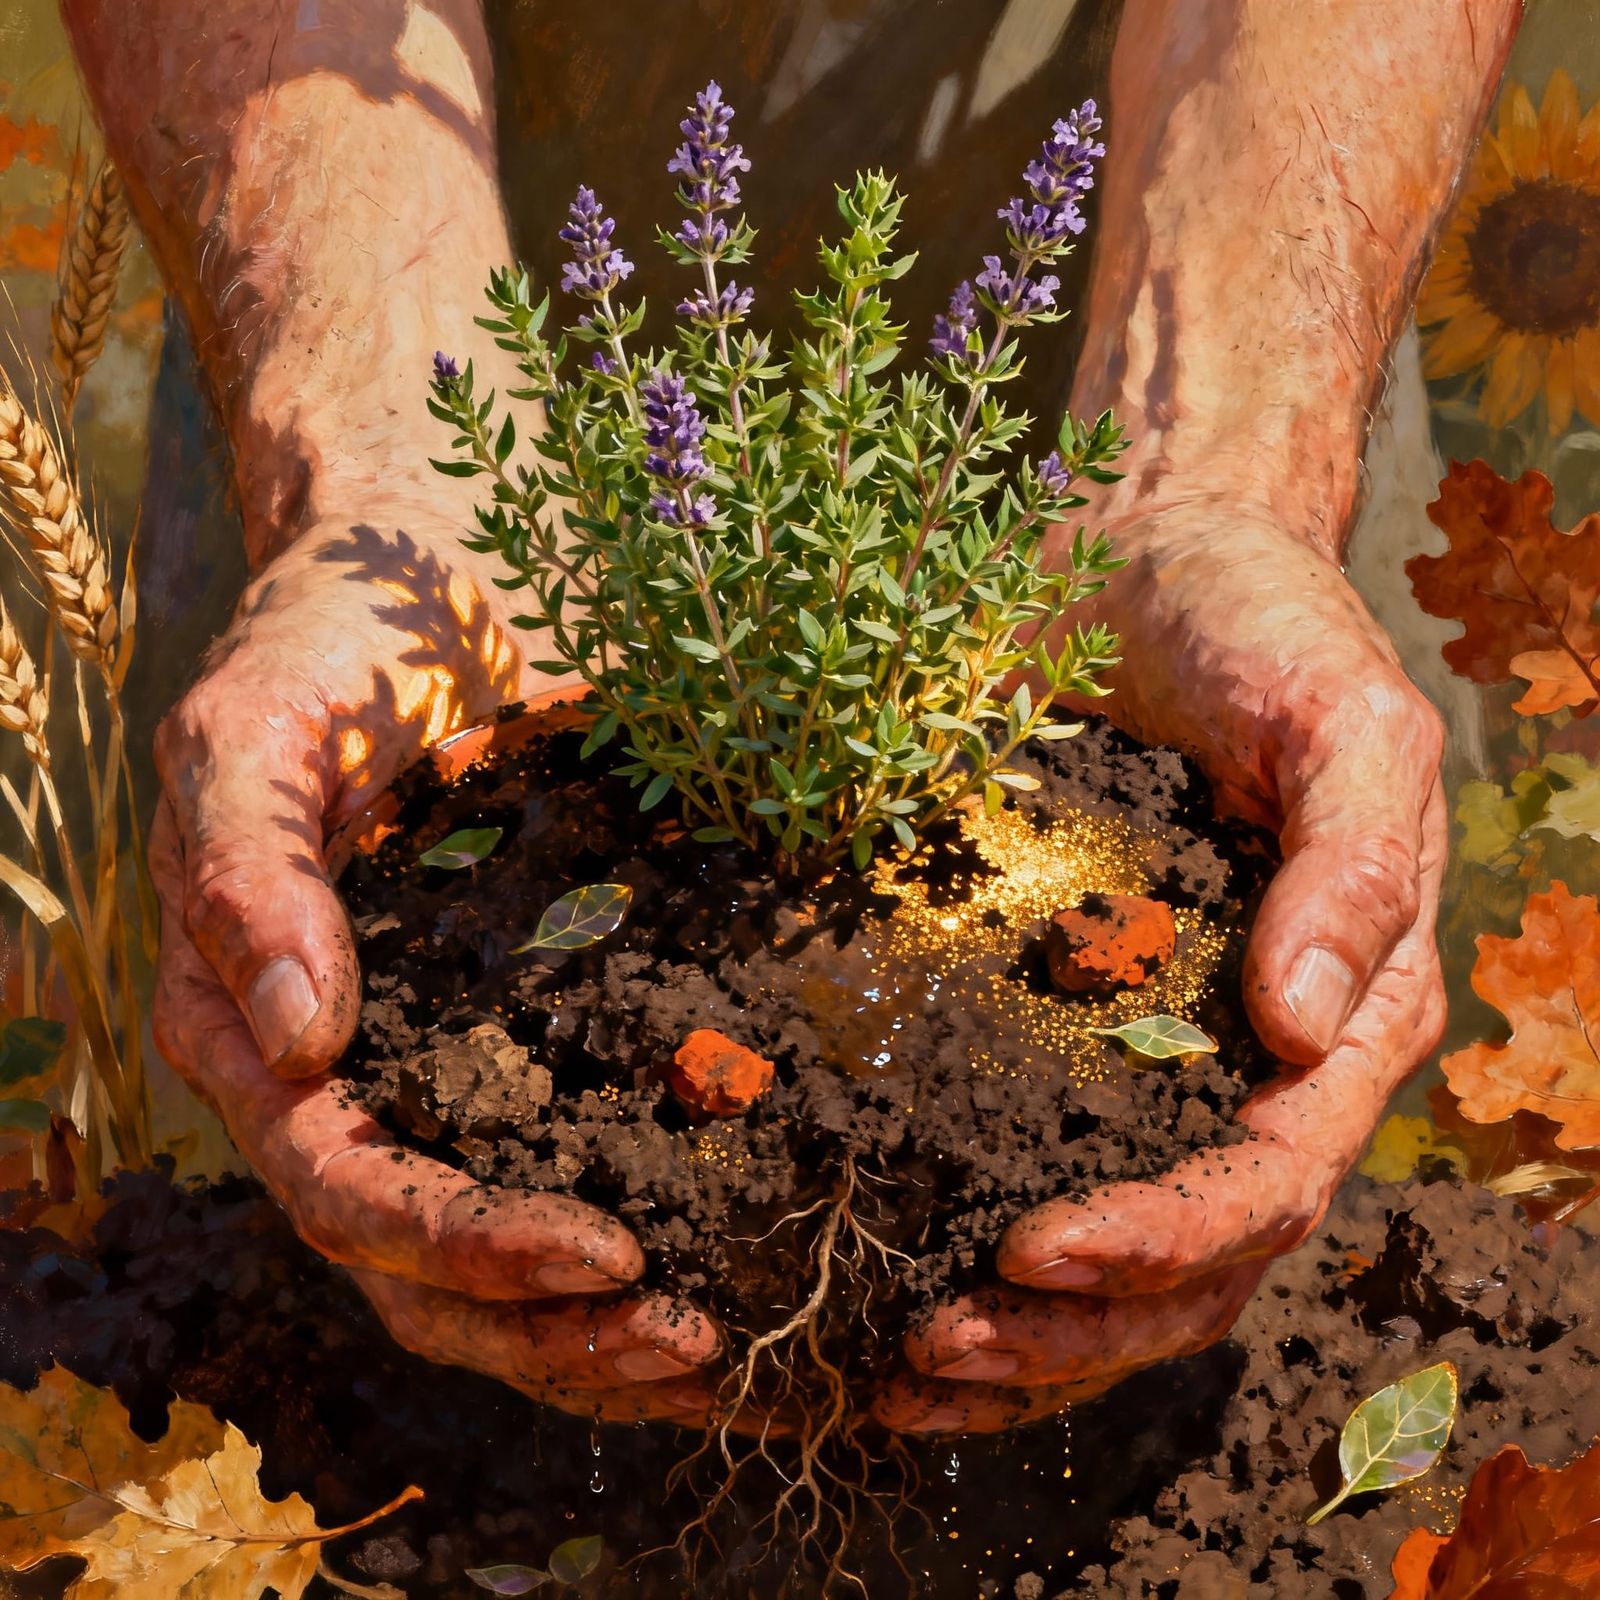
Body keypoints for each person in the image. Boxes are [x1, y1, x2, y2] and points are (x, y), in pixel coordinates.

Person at [59, 0, 1519, 1433]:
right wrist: (377, 463)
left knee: (1325, 1254)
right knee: (287, 1267)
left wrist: (1217, 478)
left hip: (1229, 162)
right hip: (363, 151)